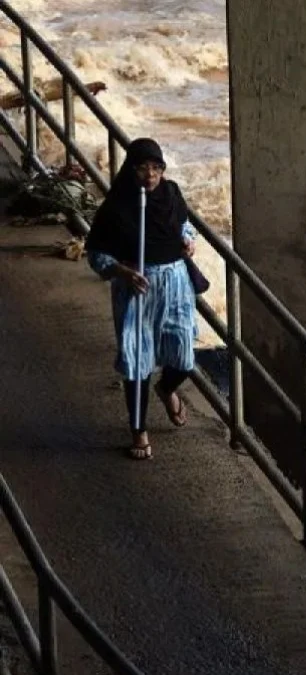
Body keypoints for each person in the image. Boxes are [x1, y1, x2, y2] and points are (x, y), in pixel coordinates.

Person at [85, 138, 199, 460]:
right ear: (131, 170)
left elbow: (185, 224)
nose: (150, 175)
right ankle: (139, 431)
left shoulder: (172, 193)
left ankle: (167, 388)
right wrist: (121, 271)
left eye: (156, 168)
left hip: (175, 282)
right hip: (137, 288)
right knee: (137, 361)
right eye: (143, 168)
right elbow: (96, 254)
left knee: (185, 356)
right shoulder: (117, 206)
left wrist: (188, 241)